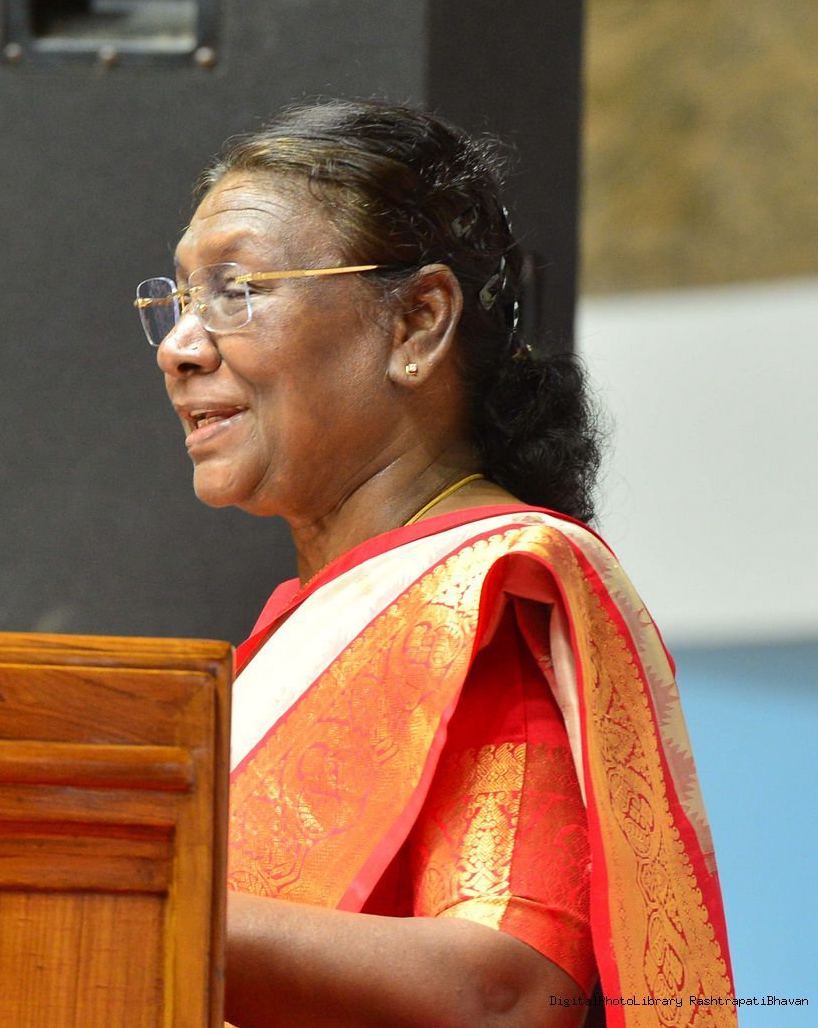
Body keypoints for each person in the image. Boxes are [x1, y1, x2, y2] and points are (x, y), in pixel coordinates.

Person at [138, 100, 735, 1027]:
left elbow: (507, 990)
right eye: (180, 300)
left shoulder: (490, 590)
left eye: (237, 289)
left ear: (417, 323)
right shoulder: (304, 623)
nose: (180, 346)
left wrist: (137, 905)